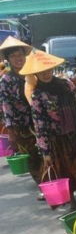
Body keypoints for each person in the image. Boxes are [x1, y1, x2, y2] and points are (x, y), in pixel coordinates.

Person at [19, 50, 76, 211]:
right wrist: (45, 151)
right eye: (41, 72)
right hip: (57, 140)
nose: (46, 74)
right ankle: (72, 203)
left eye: (48, 69)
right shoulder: (38, 96)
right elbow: (39, 125)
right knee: (64, 171)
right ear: (35, 74)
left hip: (75, 133)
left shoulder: (67, 84)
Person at [0, 37, 43, 197]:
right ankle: (43, 186)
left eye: (20, 54)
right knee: (33, 157)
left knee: (47, 154)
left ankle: (51, 182)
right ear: (8, 60)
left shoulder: (33, 74)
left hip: (40, 121)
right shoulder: (6, 80)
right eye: (13, 56)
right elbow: (6, 107)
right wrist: (11, 131)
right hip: (21, 125)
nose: (18, 58)